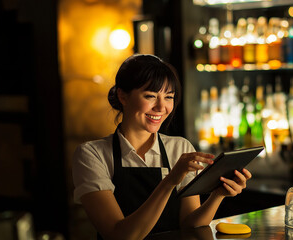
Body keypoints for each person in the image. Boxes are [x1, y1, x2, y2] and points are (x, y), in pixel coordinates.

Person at [72, 54, 252, 240]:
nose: (161, 107)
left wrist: (218, 195)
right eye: (150, 96)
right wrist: (169, 181)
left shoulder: (180, 147)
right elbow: (118, 235)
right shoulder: (92, 155)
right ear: (123, 96)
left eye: (168, 97)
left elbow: (190, 225)